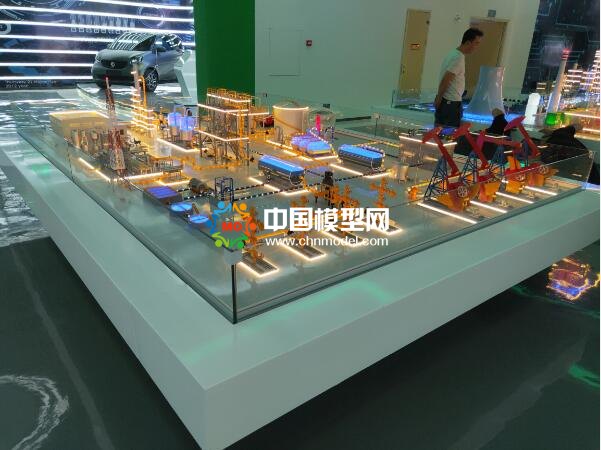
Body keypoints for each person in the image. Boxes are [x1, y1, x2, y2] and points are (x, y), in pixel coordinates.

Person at [434, 28, 484, 127]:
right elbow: (446, 79)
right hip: (451, 103)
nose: (477, 47)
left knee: (441, 130)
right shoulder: (458, 58)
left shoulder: (453, 53)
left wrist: (439, 98)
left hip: (448, 102)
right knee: (449, 132)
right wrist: (439, 98)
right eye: (476, 43)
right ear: (468, 42)